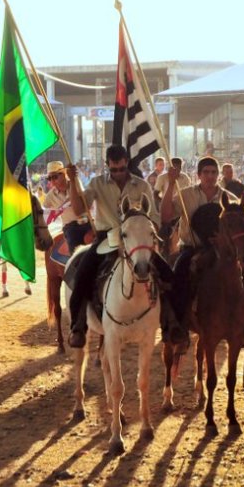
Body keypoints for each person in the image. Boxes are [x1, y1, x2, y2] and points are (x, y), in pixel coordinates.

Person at [66, 145, 179, 349]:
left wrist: (143, 232)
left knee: (169, 276)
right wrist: (73, 182)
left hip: (136, 239)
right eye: (113, 169)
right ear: (108, 165)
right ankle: (78, 326)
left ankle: (171, 324)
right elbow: (78, 209)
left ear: (126, 162)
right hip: (106, 238)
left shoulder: (142, 185)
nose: (117, 173)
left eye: (121, 168)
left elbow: (152, 217)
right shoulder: (97, 183)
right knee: (82, 275)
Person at [160, 156, 244, 350]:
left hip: (223, 252)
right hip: (192, 248)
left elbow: (242, 228)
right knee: (178, 275)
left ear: (218, 175)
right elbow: (166, 216)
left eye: (213, 173)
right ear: (199, 175)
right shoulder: (185, 195)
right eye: (206, 173)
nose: (210, 176)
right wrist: (170, 184)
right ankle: (178, 327)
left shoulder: (230, 199)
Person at [43, 161, 90, 253]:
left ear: (64, 174)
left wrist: (73, 180)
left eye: (55, 177)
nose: (52, 181)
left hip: (86, 222)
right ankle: (75, 266)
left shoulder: (75, 182)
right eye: (49, 178)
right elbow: (43, 211)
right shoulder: (50, 196)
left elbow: (81, 205)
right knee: (73, 243)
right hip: (70, 227)